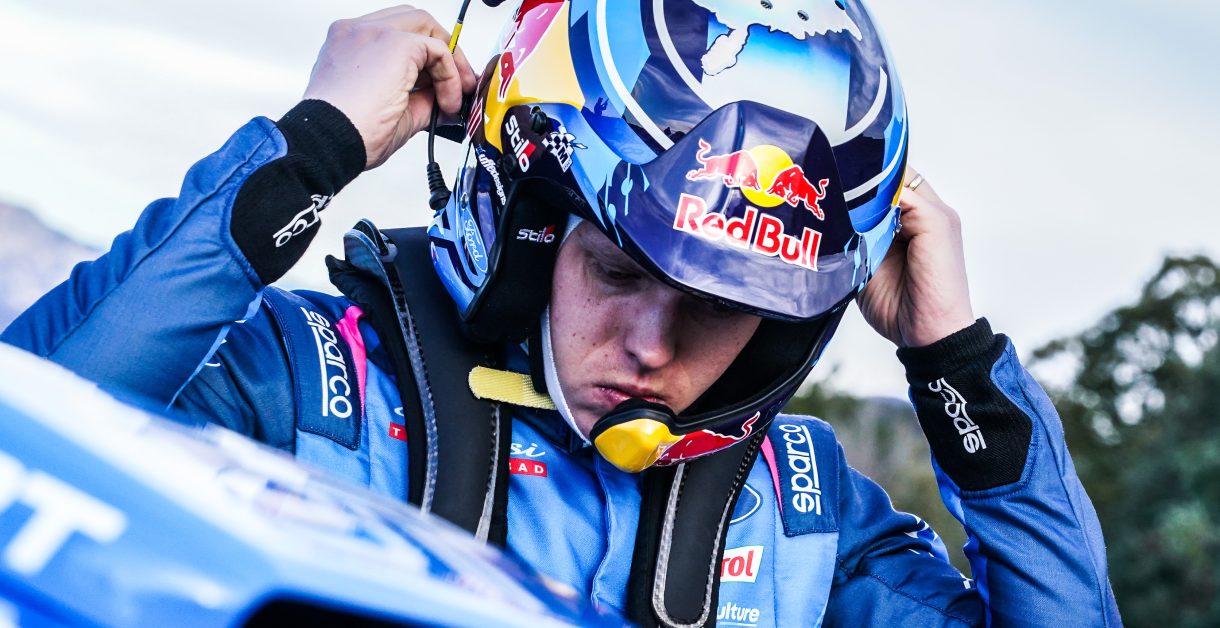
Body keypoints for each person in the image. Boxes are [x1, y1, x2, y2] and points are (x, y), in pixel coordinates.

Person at [3, 2, 1120, 626]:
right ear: (527, 226)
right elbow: (27, 450)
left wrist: (956, 362)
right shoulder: (306, 382)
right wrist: (307, 153)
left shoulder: (800, 513)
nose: (651, 347)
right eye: (620, 272)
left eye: (723, 308)